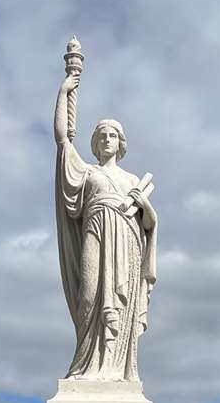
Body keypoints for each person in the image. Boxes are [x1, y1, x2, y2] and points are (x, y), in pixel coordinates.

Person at [53, 42, 158, 381]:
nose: (108, 139)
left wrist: (144, 205)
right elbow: (62, 141)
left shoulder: (131, 180)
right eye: (102, 135)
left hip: (127, 241)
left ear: (121, 143)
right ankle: (86, 365)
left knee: (120, 303)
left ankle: (116, 368)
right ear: (96, 143)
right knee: (89, 296)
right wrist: (65, 90)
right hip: (96, 231)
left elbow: (151, 224)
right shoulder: (88, 173)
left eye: (113, 135)